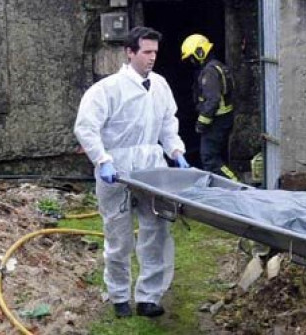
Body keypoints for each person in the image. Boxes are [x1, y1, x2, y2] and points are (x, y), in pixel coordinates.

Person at [74, 26, 190, 318]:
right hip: (118, 169)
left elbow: (168, 123)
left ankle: (149, 296)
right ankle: (119, 295)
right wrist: (102, 160)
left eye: (155, 52)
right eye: (146, 52)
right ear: (129, 52)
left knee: (156, 231)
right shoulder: (107, 89)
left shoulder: (160, 85)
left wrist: (176, 151)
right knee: (118, 236)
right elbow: (86, 127)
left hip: (152, 166)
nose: (152, 58)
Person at [180, 33, 238, 180]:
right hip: (222, 119)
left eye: (192, 57)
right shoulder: (217, 66)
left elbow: (212, 100)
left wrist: (201, 123)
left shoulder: (209, 72)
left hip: (216, 121)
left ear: (200, 52)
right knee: (215, 157)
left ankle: (237, 187)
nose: (192, 62)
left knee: (210, 159)